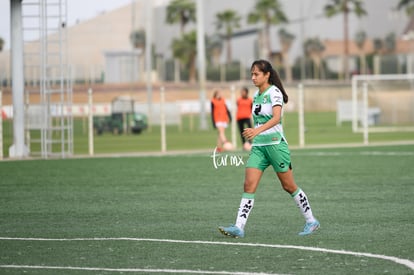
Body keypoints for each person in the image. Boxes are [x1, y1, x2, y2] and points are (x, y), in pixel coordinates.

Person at [219, 60, 320, 237]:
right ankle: (239, 227)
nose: (253, 77)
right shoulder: (256, 95)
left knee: (289, 186)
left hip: (275, 146)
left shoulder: (275, 93)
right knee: (248, 185)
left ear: (267, 75)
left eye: (256, 74)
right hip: (258, 147)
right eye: (251, 74)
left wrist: (255, 130)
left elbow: (276, 118)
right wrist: (255, 134)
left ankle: (311, 221)